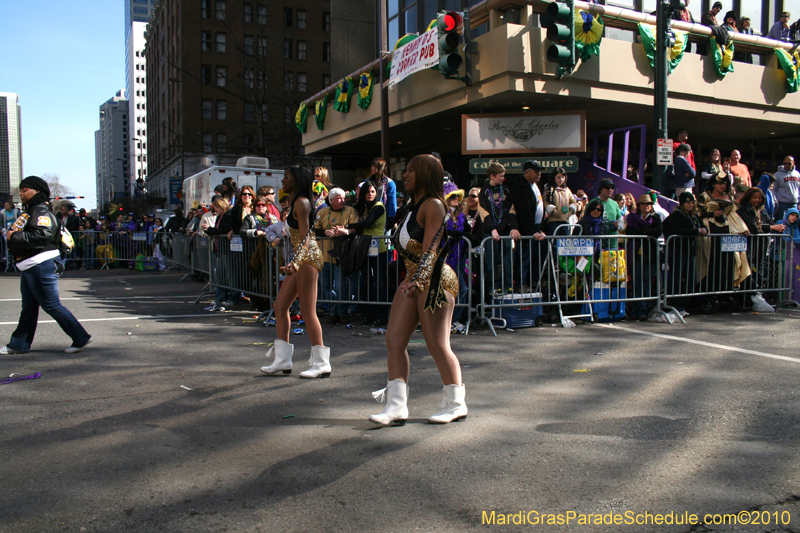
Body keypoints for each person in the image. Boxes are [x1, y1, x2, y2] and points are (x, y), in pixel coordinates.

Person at [369, 154, 466, 426]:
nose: (405, 175)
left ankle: (456, 404)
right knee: (394, 341)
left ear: (425, 174)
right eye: (406, 170)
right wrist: (413, 280)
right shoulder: (413, 206)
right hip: (413, 279)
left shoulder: (434, 205)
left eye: (412, 170)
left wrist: (420, 281)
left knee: (437, 343)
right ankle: (396, 406)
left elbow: (431, 249)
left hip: (435, 281)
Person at [1, 176, 92, 355]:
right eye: (21, 190)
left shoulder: (41, 211)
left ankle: (80, 337)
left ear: (37, 191)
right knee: (29, 307)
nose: (21, 193)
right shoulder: (32, 210)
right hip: (30, 265)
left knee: (51, 305)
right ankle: (19, 344)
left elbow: (41, 236)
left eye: (25, 190)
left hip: (40, 264)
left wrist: (14, 236)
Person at [260, 165, 329, 379]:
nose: (282, 181)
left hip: (307, 259)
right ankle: (282, 360)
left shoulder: (302, 203)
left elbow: (307, 237)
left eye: (286, 177)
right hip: (300, 259)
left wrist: (296, 263)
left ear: (297, 179)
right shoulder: (296, 202)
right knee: (280, 306)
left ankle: (321, 363)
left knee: (308, 312)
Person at [347, 180, 389, 326]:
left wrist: (348, 226)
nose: (370, 194)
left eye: (373, 191)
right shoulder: (362, 208)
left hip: (379, 250)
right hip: (364, 249)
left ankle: (382, 316)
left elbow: (366, 223)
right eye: (367, 192)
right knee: (365, 283)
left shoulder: (379, 207)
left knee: (380, 283)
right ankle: (367, 315)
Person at [314, 187, 358, 324]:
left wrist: (345, 231)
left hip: (342, 256)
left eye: (344, 198)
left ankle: (342, 313)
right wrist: (325, 232)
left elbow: (356, 228)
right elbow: (314, 230)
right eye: (339, 198)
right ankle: (333, 312)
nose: (342, 200)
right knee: (326, 286)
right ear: (331, 200)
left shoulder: (351, 211)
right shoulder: (322, 212)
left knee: (340, 287)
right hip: (324, 256)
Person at [663, 192, 708, 315]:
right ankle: (674, 305)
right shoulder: (676, 215)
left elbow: (703, 226)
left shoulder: (694, 216)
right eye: (688, 203)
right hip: (677, 249)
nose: (690, 205)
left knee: (691, 279)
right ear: (682, 203)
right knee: (676, 279)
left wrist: (704, 230)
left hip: (689, 250)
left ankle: (682, 305)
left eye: (692, 202)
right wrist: (694, 231)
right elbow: (674, 230)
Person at [480, 162, 517, 295]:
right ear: (492, 176)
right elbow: (483, 213)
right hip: (490, 232)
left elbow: (511, 210)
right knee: (491, 261)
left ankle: (508, 285)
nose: (503, 178)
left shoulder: (506, 190)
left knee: (508, 260)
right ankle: (494, 286)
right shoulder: (484, 191)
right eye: (500, 176)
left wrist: (514, 227)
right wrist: (492, 229)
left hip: (505, 230)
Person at [511, 160, 548, 292]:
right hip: (526, 230)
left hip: (535, 228)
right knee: (524, 259)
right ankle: (521, 284)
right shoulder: (522, 188)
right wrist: (533, 230)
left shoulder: (533, 185)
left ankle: (531, 283)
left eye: (540, 171)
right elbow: (524, 212)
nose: (539, 174)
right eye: (536, 171)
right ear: (527, 173)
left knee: (533, 258)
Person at [625, 194, 663, 320]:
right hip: (636, 253)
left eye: (648, 204)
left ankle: (644, 308)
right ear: (639, 206)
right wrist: (647, 231)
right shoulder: (632, 218)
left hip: (649, 254)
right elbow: (630, 231)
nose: (646, 206)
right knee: (637, 282)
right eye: (644, 204)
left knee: (647, 282)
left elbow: (658, 231)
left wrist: (644, 231)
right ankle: (639, 310)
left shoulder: (655, 217)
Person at [204, 196, 241, 309]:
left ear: (221, 206)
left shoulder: (229, 215)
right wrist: (209, 230)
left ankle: (233, 298)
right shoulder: (220, 217)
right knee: (220, 276)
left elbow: (223, 230)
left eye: (216, 208)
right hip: (220, 248)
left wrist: (210, 230)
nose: (215, 210)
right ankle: (221, 298)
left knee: (231, 275)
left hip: (227, 249)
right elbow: (220, 231)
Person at [442, 182, 468, 333]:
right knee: (454, 289)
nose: (456, 199)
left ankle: (454, 320)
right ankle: (448, 320)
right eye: (453, 196)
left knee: (460, 289)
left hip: (459, 256)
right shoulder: (442, 214)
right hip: (447, 257)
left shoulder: (461, 215)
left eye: (458, 196)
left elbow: (468, 231)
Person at [543, 167, 578, 235]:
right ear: (554, 177)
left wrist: (570, 211)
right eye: (558, 177)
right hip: (554, 221)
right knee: (554, 240)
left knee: (564, 240)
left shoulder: (567, 189)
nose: (561, 179)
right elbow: (545, 201)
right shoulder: (549, 188)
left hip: (565, 220)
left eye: (563, 177)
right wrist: (553, 210)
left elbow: (573, 201)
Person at [366, 157, 397, 224]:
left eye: (373, 166)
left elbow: (392, 201)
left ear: (379, 167)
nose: (371, 168)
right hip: (368, 214)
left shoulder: (389, 183)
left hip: (383, 216)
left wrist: (391, 217)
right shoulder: (367, 181)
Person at [595, 178, 625, 244]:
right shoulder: (593, 202)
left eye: (612, 188)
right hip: (597, 242)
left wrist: (618, 225)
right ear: (601, 189)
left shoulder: (614, 203)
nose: (610, 190)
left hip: (612, 243)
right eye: (607, 187)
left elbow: (621, 223)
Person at [773, 156, 800, 221]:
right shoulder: (777, 174)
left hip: (794, 203)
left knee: (793, 222)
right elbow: (774, 189)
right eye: (785, 163)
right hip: (782, 203)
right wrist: (775, 202)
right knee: (781, 222)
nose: (787, 165)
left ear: (793, 163)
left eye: (789, 163)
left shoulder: (797, 174)